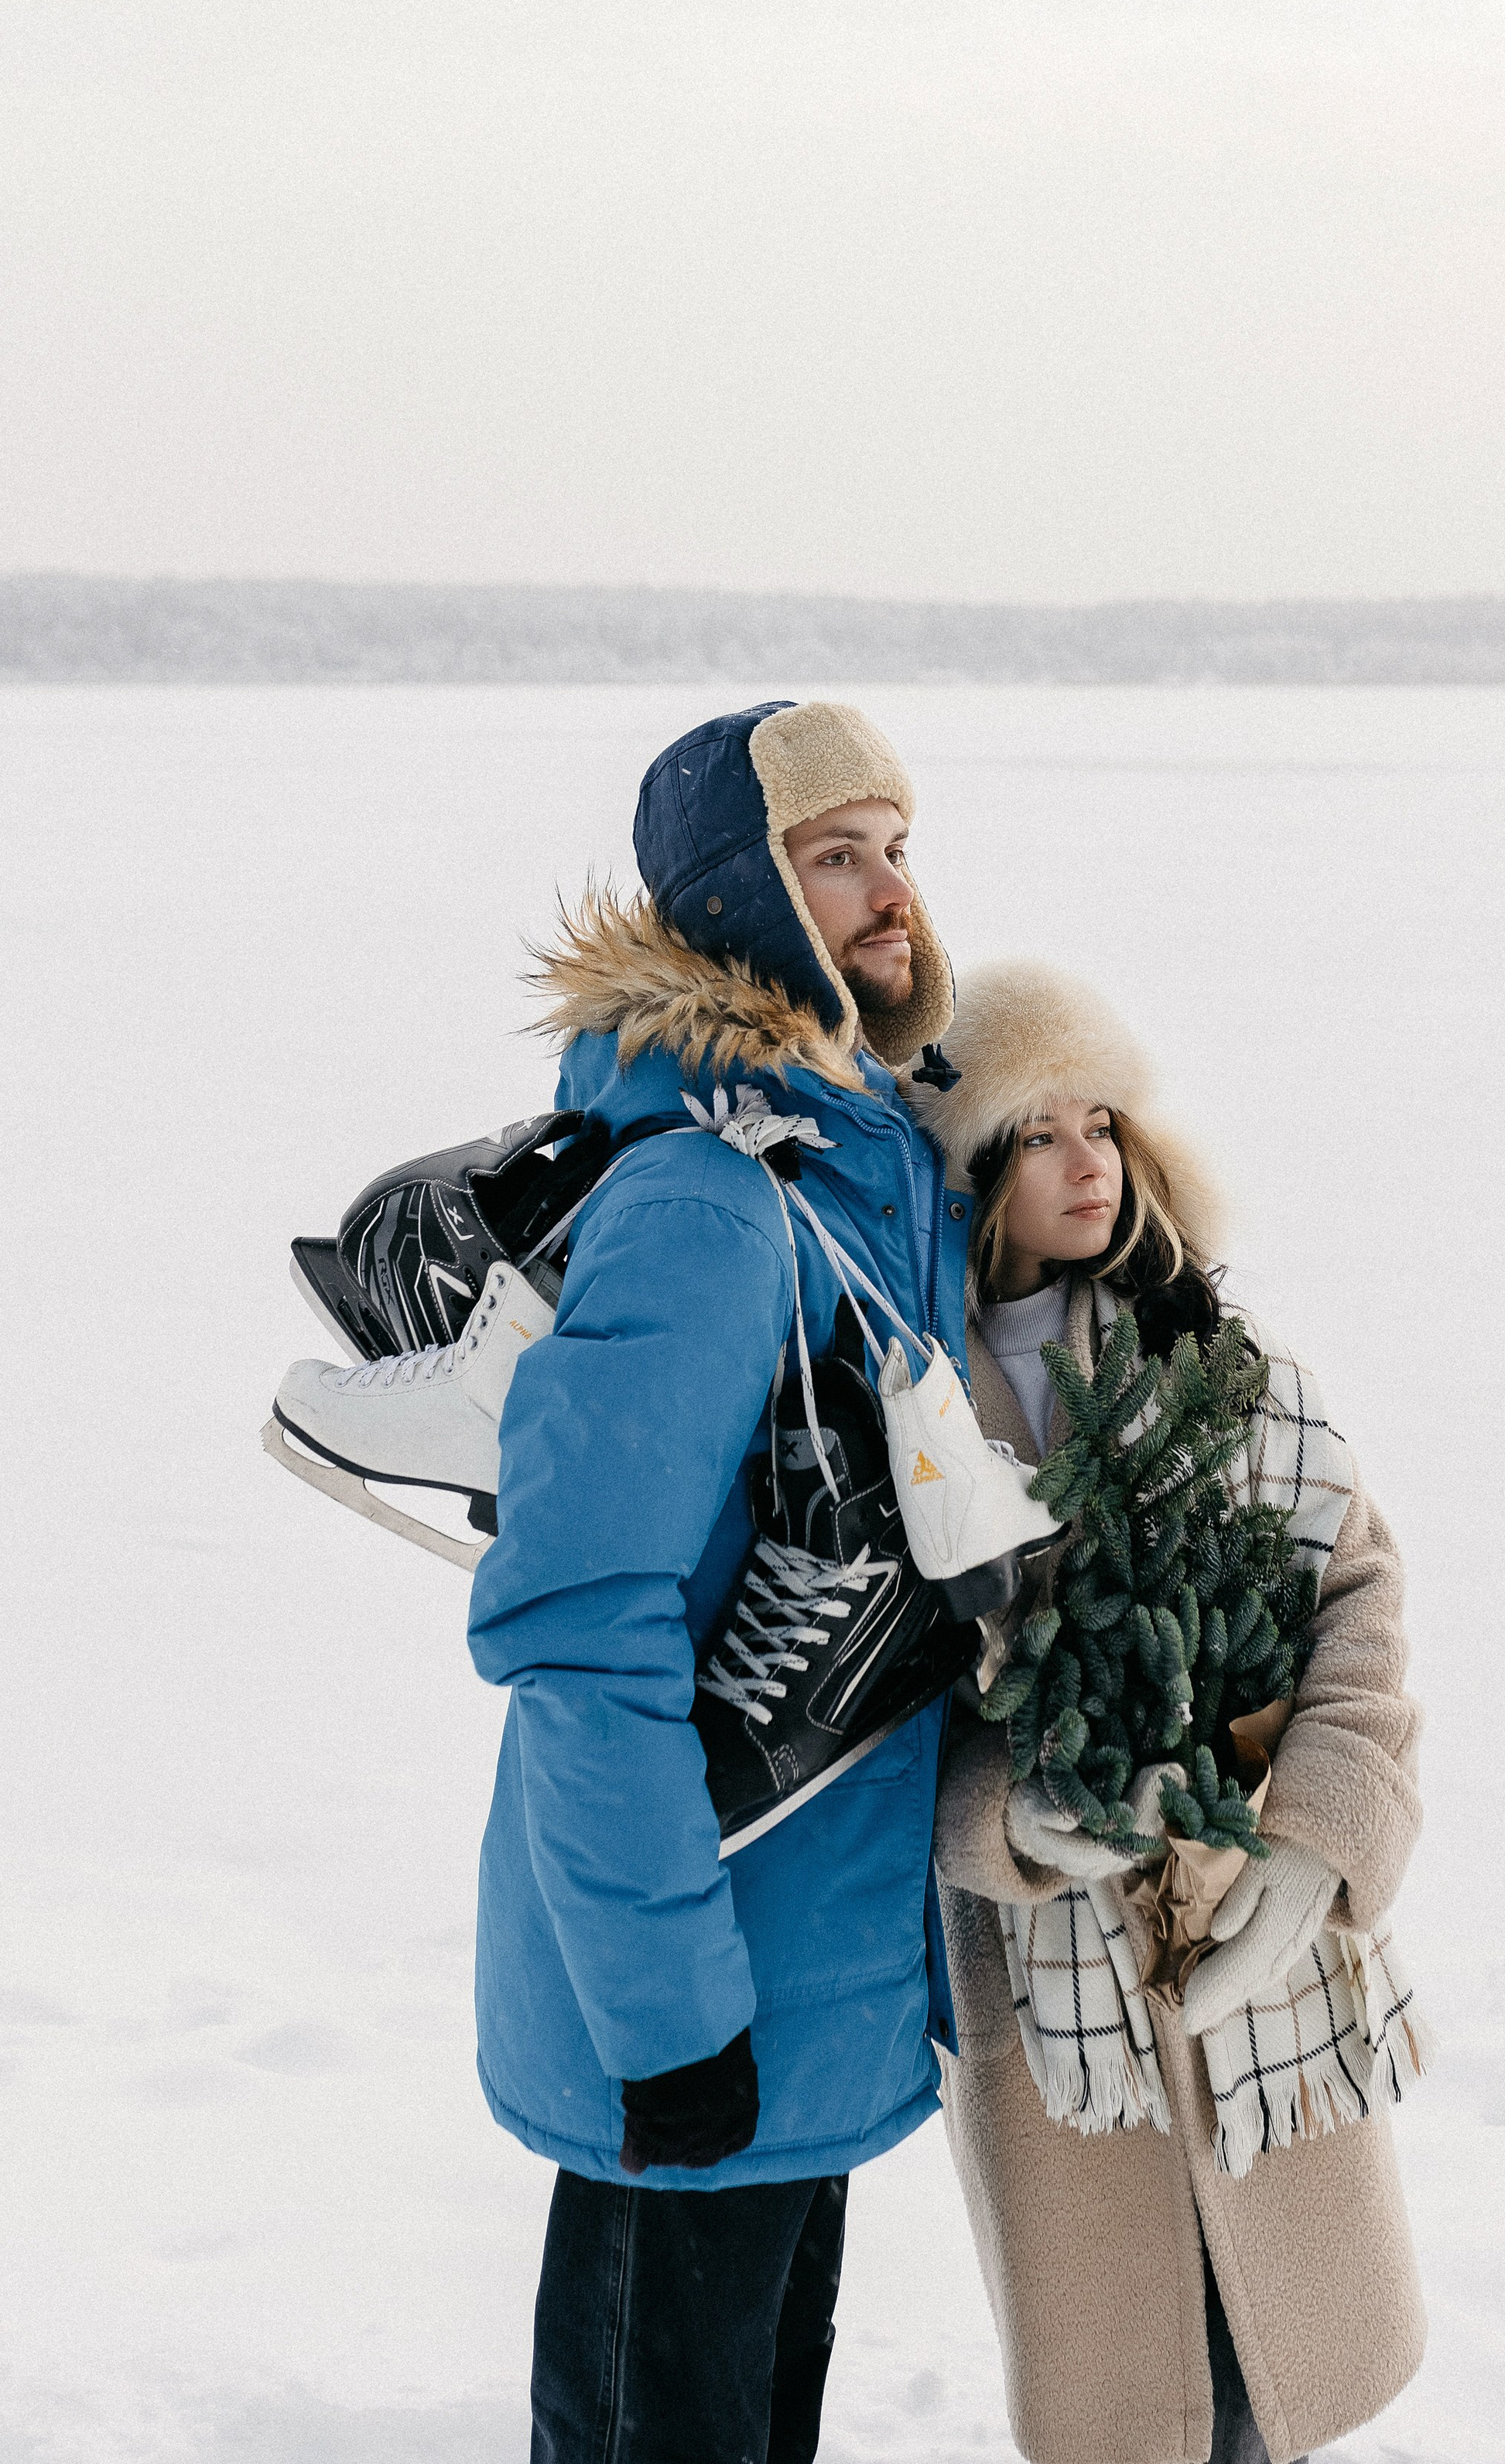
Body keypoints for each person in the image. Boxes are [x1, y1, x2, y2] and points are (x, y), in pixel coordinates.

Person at [466, 698, 970, 2464]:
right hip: (689, 2011)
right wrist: (668, 2027)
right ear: (739, 896)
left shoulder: (864, 1166)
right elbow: (578, 1627)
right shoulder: (699, 1199)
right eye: (834, 855)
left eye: (895, 846)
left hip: (805, 1997)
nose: (887, 889)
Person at [910, 961, 1430, 2464]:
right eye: (1033, 1133)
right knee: (1139, 2398)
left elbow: (1357, 1597)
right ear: (970, 1174)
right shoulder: (913, 1406)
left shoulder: (1209, 1355)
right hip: (1051, 1985)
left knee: (1271, 2389)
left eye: (1102, 1123)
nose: (1083, 1163)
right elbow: (887, 1713)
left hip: (1249, 1931)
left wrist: (1317, 1843)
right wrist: (1007, 1816)